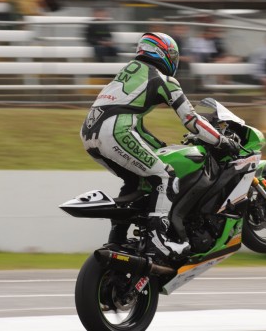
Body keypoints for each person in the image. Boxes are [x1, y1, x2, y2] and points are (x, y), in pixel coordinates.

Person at [81, 32, 240, 262]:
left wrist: (160, 147)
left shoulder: (128, 73)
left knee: (135, 181)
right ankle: (159, 240)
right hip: (114, 131)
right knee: (165, 176)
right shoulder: (162, 80)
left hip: (89, 133)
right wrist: (222, 141)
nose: (174, 61)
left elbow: (134, 124)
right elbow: (192, 120)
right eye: (173, 55)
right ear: (163, 53)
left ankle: (116, 239)